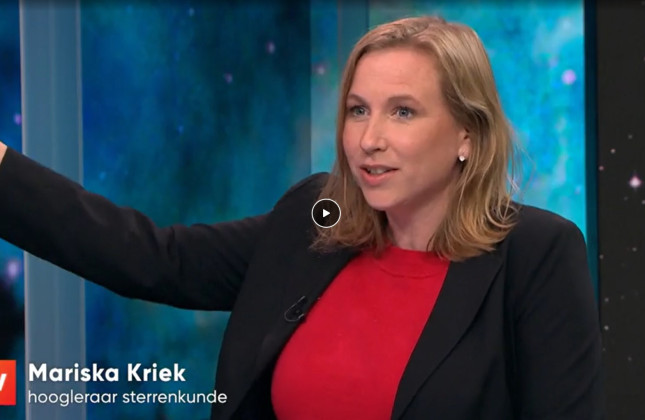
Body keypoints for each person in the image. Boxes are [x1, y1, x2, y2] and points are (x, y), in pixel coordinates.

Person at [0, 15, 603, 420]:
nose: (368, 139)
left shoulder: (537, 253)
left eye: (402, 112)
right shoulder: (316, 219)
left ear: (467, 134)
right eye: (358, 110)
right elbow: (156, 258)